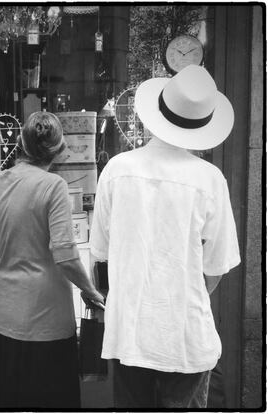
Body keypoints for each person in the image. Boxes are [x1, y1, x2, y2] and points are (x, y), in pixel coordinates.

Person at [89, 65, 240, 409]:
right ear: (202, 126)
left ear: (155, 113)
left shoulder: (116, 170)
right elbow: (216, 267)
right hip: (184, 334)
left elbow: (100, 252)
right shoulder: (209, 179)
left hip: (130, 332)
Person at [0, 111, 104, 409]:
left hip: (7, 324)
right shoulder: (52, 185)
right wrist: (90, 291)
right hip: (50, 325)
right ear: (58, 150)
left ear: (21, 143)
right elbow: (66, 255)